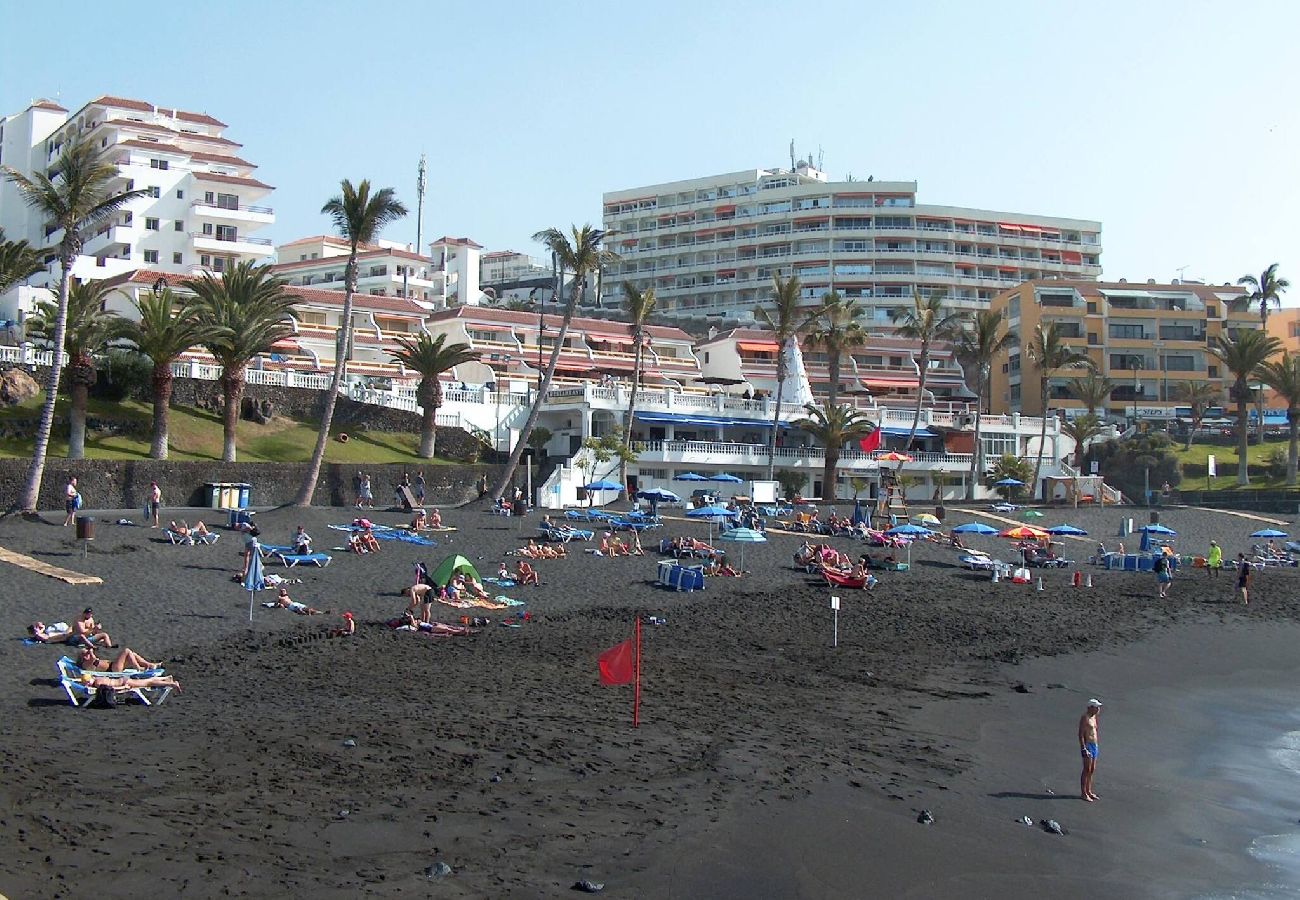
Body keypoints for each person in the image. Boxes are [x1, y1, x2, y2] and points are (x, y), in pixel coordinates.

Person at [1078, 699, 1102, 802]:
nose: (1098, 709)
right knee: (1086, 769)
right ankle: (1083, 793)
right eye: (1096, 707)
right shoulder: (1085, 718)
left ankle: (1089, 790)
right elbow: (1081, 734)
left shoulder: (1094, 717)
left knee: (1092, 769)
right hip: (1087, 745)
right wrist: (1083, 748)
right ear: (1090, 707)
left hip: (1094, 745)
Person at [79, 644, 160, 673]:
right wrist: (90, 650)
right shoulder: (86, 664)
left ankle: (150, 665)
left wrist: (89, 650)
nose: (88, 654)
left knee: (132, 654)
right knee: (126, 651)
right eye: (86, 654)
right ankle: (138, 668)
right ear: (83, 657)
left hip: (113, 666)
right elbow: (94, 659)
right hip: (113, 669)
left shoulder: (87, 662)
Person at [80, 672, 181, 693]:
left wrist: (124, 688)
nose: (87, 685)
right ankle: (166, 678)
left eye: (86, 683)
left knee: (148, 683)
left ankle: (172, 684)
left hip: (123, 683)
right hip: (123, 679)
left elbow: (111, 689)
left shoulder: (97, 684)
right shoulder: (97, 678)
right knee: (147, 681)